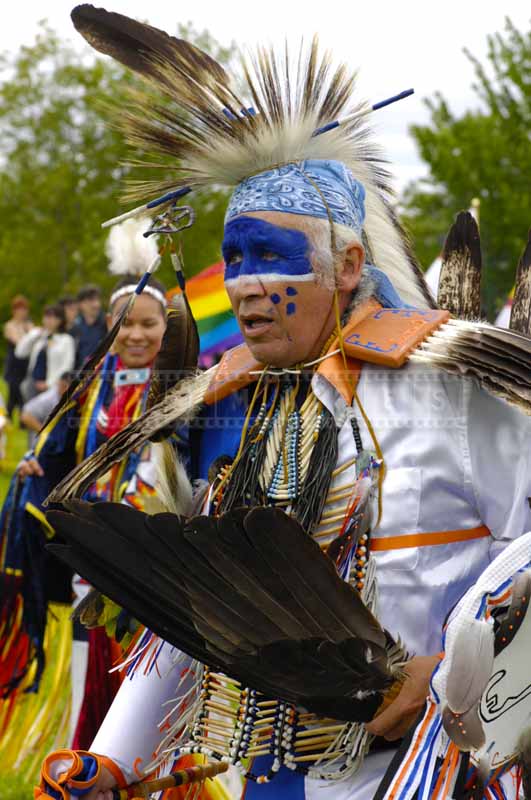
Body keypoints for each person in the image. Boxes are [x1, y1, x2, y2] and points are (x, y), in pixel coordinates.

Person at [36, 12, 531, 800]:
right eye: (233, 259)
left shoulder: (451, 390)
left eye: (270, 255)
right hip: (279, 777)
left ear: (348, 265)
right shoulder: (256, 415)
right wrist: (115, 759)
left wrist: (452, 671)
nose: (243, 285)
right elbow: (211, 600)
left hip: (436, 770)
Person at [0, 218, 180, 778]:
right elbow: (56, 443)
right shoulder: (91, 382)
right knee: (90, 667)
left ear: (167, 326)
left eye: (149, 324)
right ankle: (87, 764)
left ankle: (151, 772)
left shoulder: (185, 384)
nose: (136, 335)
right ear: (109, 325)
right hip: (89, 553)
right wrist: (38, 464)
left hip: (156, 559)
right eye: (126, 324)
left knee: (150, 683)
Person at [16, 304, 75, 401]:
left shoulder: (66, 340)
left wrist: (49, 383)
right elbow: (20, 352)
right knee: (28, 409)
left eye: (53, 317)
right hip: (32, 383)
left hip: (52, 386)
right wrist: (34, 334)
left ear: (60, 320)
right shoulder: (38, 336)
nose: (49, 320)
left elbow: (67, 366)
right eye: (47, 316)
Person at [20, 371, 73, 447]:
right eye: (65, 386)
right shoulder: (48, 399)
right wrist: (46, 434)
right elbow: (25, 416)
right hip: (40, 447)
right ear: (60, 384)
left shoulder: (64, 398)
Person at [2, 294, 33, 417]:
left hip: (26, 364)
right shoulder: (10, 325)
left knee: (22, 393)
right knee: (14, 392)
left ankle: (20, 418)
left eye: (24, 309)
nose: (22, 312)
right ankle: (10, 417)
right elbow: (19, 342)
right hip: (14, 364)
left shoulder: (29, 325)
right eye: (19, 309)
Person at [71, 284, 107, 368]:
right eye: (91, 300)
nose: (96, 304)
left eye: (97, 299)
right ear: (81, 304)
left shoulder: (107, 324)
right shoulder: (74, 328)